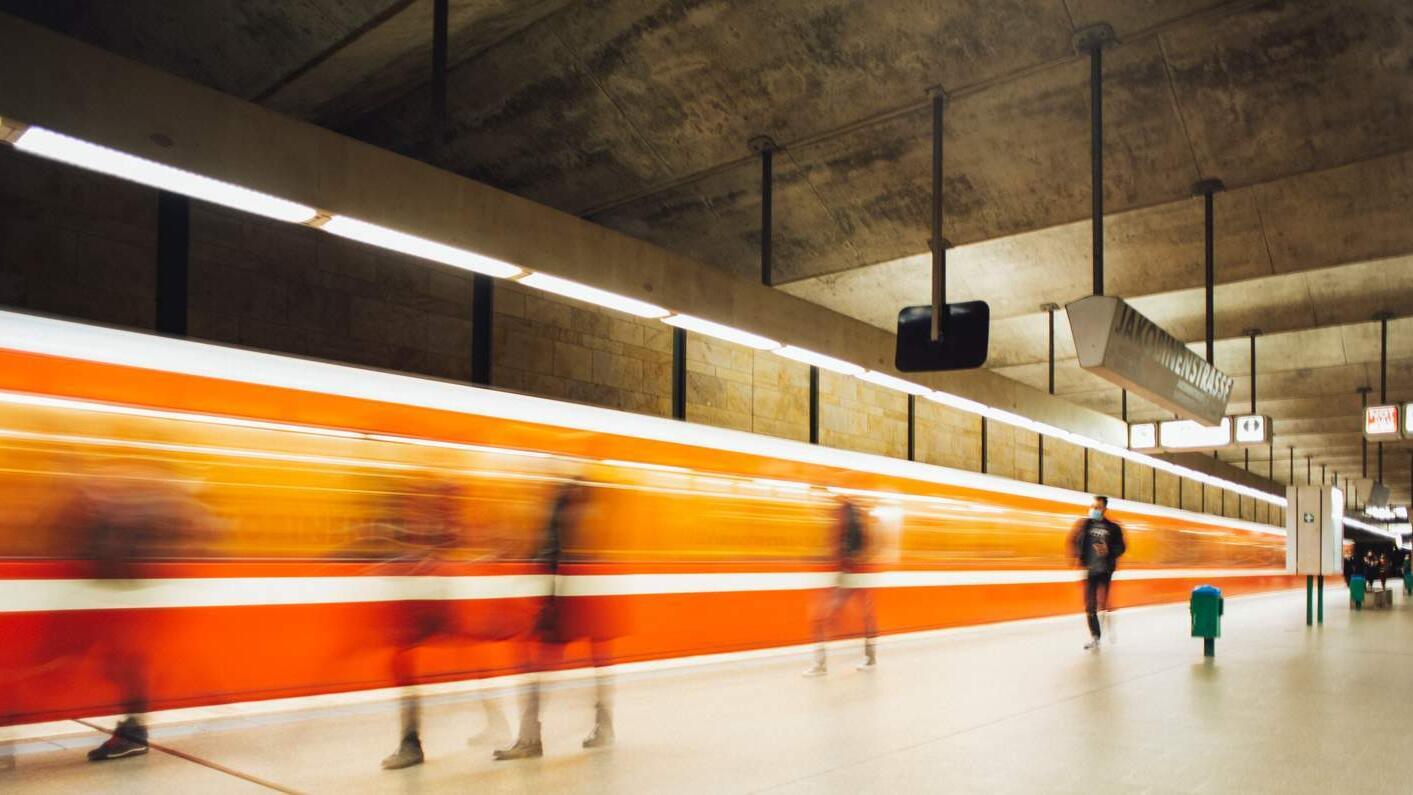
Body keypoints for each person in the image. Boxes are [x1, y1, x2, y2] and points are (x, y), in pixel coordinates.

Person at [494, 479, 614, 760]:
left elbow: (554, 551)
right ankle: (604, 725)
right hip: (582, 594)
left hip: (563, 596)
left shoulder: (565, 502)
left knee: (538, 666)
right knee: (593, 658)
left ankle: (529, 739)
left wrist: (545, 599)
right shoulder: (591, 504)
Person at [804, 495, 876, 676]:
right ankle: (870, 658)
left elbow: (840, 549)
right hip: (857, 574)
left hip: (848, 574)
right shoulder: (858, 516)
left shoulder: (845, 515)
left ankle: (820, 666)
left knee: (819, 618)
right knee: (866, 617)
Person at [1069, 495, 1126, 651]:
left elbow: (1121, 547)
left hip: (1105, 570)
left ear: (1104, 509)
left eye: (1098, 507)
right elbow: (1074, 540)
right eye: (1093, 506)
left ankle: (1107, 618)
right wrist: (1076, 557)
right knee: (1090, 605)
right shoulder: (1084, 525)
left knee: (1104, 603)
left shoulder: (1113, 528)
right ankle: (1095, 637)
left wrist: (1109, 551)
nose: (1094, 509)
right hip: (1091, 570)